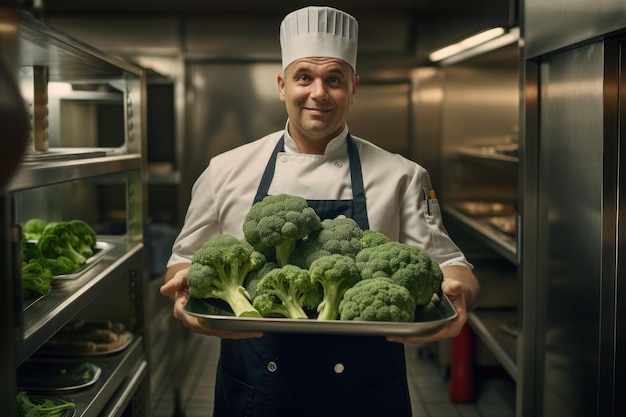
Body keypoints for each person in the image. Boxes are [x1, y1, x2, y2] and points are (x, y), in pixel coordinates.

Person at [160, 6, 479, 417]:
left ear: (354, 87)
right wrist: (186, 288)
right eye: (304, 77)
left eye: (334, 79)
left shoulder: (402, 175)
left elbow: (453, 267)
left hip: (366, 392)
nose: (318, 93)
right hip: (258, 390)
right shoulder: (225, 170)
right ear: (281, 85)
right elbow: (183, 262)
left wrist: (458, 295)